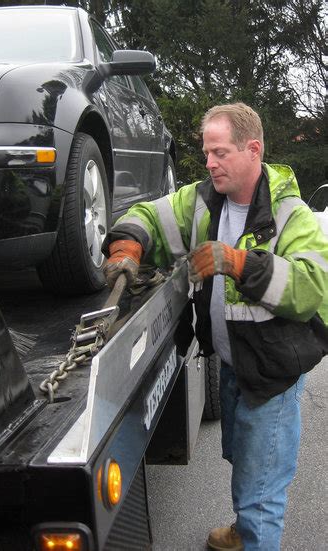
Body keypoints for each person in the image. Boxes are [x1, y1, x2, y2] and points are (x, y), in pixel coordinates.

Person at [101, 102, 328, 551]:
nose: (209, 162)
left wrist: (241, 263)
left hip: (271, 375)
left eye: (220, 152)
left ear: (253, 150)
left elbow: (313, 288)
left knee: (262, 490)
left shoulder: (292, 216)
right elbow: (151, 215)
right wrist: (127, 243)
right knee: (245, 461)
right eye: (207, 152)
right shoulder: (205, 200)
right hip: (233, 364)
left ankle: (253, 533)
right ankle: (244, 531)